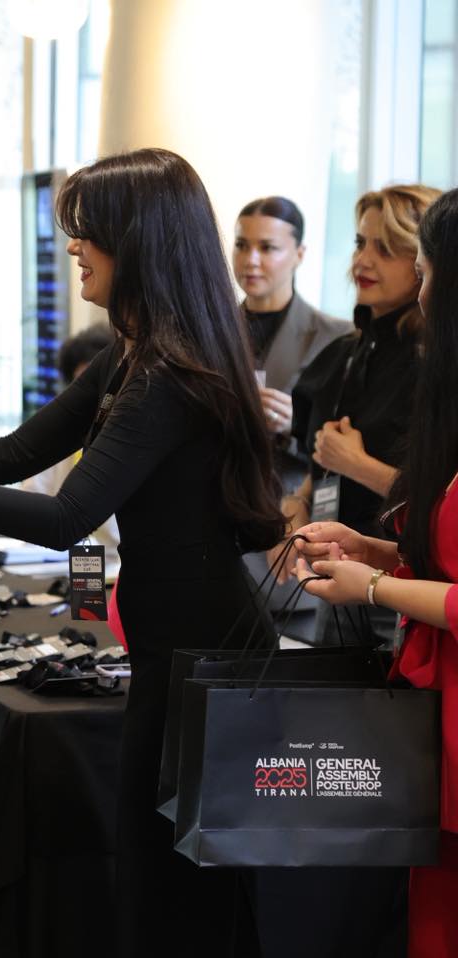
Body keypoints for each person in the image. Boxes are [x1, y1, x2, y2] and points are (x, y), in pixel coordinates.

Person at [0, 147, 284, 957]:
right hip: (175, 650)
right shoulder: (134, 354)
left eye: (85, 231)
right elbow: (17, 451)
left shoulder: (168, 374)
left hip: (207, 661)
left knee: (182, 889)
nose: (71, 247)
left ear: (135, 242)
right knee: (155, 875)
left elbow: (66, 516)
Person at [293, 186, 458, 957]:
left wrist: (377, 582)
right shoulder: (355, 352)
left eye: (413, 264)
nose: (370, 264)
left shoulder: (424, 374)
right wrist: (376, 552)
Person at [276, 185, 440, 647]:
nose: (363, 261)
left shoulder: (435, 364)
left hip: (406, 586)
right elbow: (320, 461)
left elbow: (439, 502)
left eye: (384, 249)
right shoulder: (347, 352)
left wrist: (357, 465)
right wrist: (298, 503)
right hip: (341, 575)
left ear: (423, 262)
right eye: (360, 243)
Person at [231, 195, 349, 482]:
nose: (251, 260)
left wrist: (297, 425)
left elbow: (347, 440)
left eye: (267, 248)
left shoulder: (336, 337)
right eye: (242, 245)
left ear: (299, 254)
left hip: (289, 495)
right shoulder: (207, 330)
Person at [20, 323, 119, 547]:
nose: (91, 396)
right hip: (61, 558)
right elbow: (33, 497)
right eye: (81, 384)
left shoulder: (134, 433)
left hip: (122, 561)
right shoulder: (66, 430)